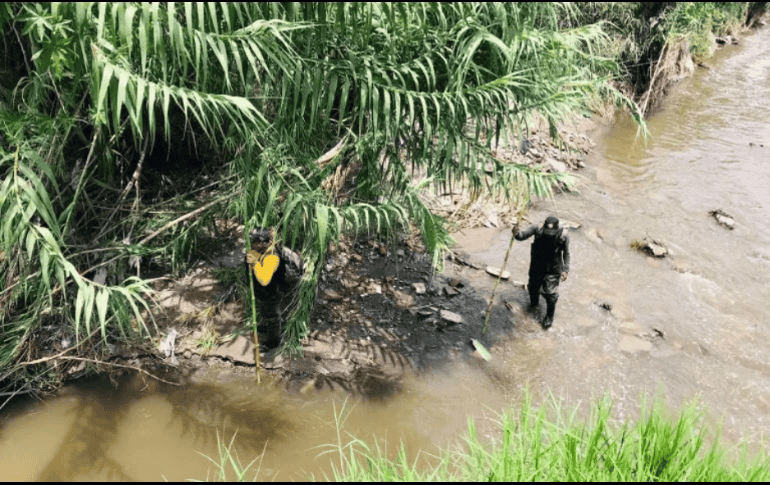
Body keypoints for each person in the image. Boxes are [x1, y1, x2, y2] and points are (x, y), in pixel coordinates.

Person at [245, 228, 304, 350]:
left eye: (253, 242)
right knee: (264, 310)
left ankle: (273, 342)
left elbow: (264, 279)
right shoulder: (260, 251)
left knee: (272, 316)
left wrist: (255, 262)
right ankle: (266, 326)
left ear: (263, 243)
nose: (250, 244)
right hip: (262, 290)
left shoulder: (273, 257)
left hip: (272, 291)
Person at [512, 216, 570, 329]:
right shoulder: (537, 229)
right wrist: (516, 233)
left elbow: (566, 254)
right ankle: (533, 304)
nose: (549, 234)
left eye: (551, 233)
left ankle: (549, 316)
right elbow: (521, 236)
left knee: (550, 294)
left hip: (553, 269)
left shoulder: (563, 236)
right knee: (533, 287)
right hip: (536, 266)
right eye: (547, 232)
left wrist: (565, 270)